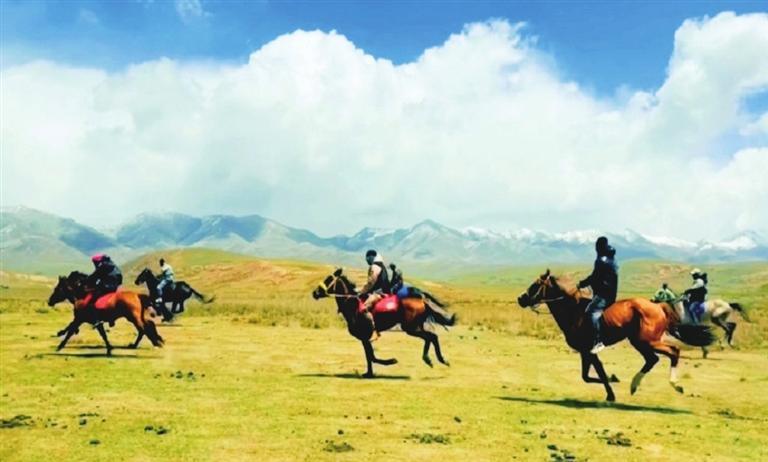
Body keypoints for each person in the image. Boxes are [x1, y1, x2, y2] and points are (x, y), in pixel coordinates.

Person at [577, 236, 619, 354]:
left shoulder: (601, 260)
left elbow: (595, 277)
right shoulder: (611, 257)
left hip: (604, 294)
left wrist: (581, 284)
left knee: (591, 312)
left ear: (599, 247)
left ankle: (598, 341)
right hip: (611, 292)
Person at [360, 249, 391, 341]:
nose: (367, 261)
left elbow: (371, 283)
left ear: (371, 257)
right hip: (384, 292)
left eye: (367, 259)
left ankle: (374, 332)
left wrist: (362, 292)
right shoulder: (381, 266)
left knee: (364, 308)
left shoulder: (374, 267)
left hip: (379, 293)